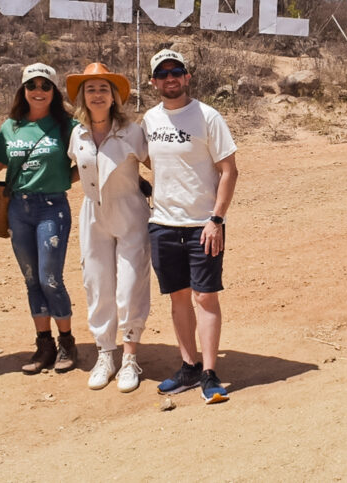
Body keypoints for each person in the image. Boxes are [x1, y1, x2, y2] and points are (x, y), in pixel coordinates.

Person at [142, 49, 238, 404]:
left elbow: (229, 170)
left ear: (187, 77)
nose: (170, 78)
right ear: (154, 82)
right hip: (163, 224)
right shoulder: (149, 120)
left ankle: (210, 373)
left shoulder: (208, 117)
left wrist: (217, 219)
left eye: (176, 71)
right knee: (179, 299)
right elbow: (141, 159)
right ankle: (188, 366)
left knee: (205, 297)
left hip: (203, 225)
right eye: (163, 73)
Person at [0, 63, 79, 374]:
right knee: (31, 279)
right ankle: (44, 345)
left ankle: (67, 342)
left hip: (52, 207)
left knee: (50, 278)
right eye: (32, 85)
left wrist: (65, 180)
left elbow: (90, 160)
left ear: (54, 91)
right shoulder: (11, 127)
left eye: (45, 85)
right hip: (19, 209)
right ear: (23, 91)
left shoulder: (68, 126)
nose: (38, 90)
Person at [65, 63, 151, 393]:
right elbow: (77, 169)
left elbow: (155, 163)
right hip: (93, 216)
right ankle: (106, 353)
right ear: (82, 97)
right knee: (97, 284)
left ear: (114, 96)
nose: (97, 95)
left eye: (103, 89)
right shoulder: (78, 133)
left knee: (130, 285)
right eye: (90, 89)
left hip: (130, 214)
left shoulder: (132, 131)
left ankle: (130, 356)